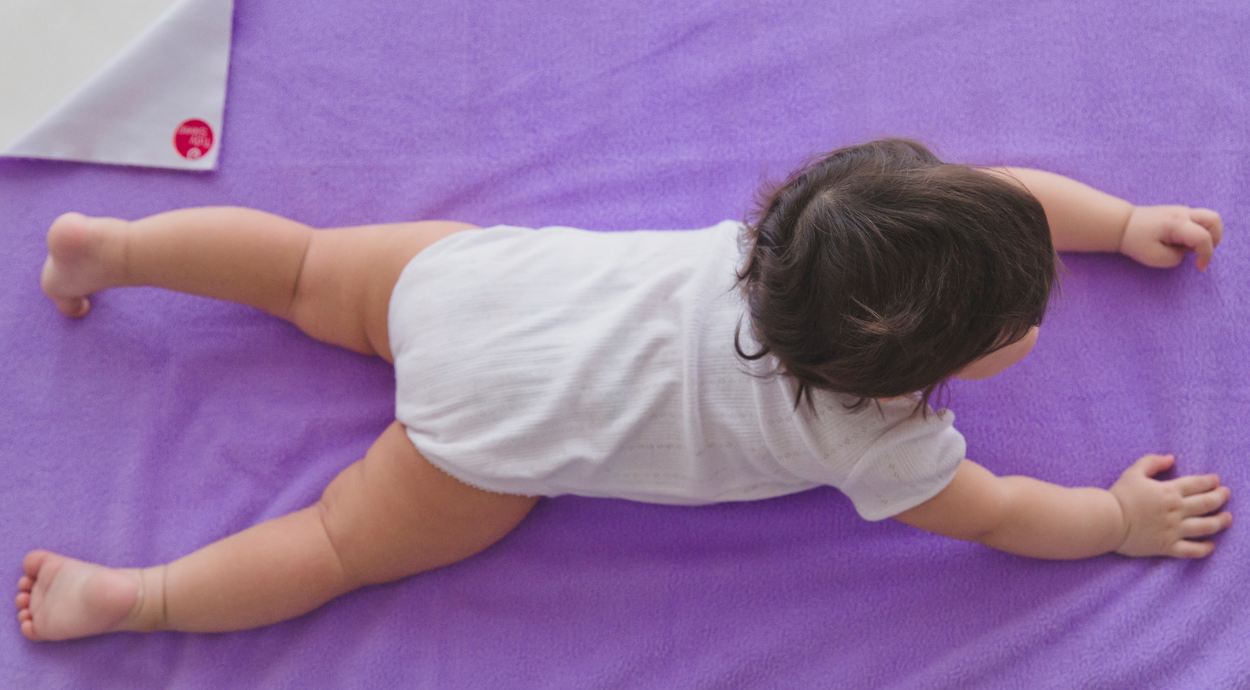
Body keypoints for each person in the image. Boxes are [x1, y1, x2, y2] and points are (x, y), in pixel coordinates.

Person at [15, 138, 1230, 642]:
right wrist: (1115, 521)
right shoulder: (879, 446)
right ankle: (133, 599)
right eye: (1021, 324)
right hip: (483, 441)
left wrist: (1116, 223)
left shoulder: (817, 242)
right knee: (336, 541)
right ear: (928, 377)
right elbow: (1008, 516)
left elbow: (999, 195)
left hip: (467, 290)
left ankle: (113, 250)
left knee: (297, 267)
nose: (1038, 316)